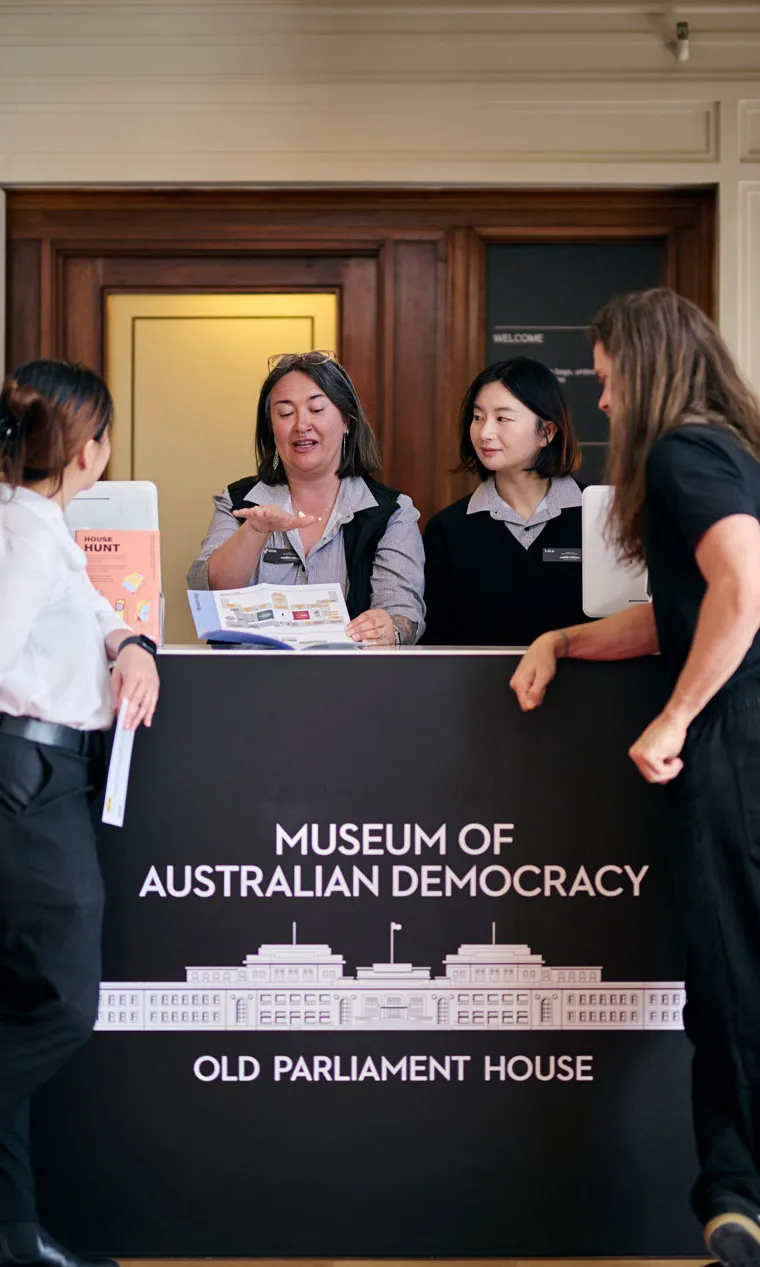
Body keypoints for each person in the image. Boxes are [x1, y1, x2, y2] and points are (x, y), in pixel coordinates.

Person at [510, 288, 760, 1267]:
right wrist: (565, 639)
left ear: (649, 370)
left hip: (733, 744)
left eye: (608, 382)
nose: (602, 404)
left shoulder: (681, 452)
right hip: (737, 734)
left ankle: (737, 1196)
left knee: (731, 980)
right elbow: (684, 611)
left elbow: (743, 589)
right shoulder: (729, 450)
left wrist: (673, 716)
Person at [0, 361, 160, 1267]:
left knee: (21, 997)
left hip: (37, 770)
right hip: (28, 772)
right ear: (86, 446)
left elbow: (97, 609)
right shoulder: (22, 530)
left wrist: (128, 641)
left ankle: (14, 1235)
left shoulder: (37, 523)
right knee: (61, 1003)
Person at [188, 351, 425, 646]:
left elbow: (404, 615)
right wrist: (255, 530)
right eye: (286, 413)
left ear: (347, 420)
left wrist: (391, 628)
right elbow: (207, 590)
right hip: (248, 683)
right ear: (271, 429)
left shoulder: (391, 512)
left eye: (316, 410)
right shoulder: (240, 502)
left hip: (350, 682)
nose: (301, 425)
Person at [421, 357, 586, 646]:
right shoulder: (447, 531)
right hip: (478, 689)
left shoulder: (601, 517)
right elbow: (436, 640)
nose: (485, 433)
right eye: (478, 417)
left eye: (502, 418)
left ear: (546, 432)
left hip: (588, 687)